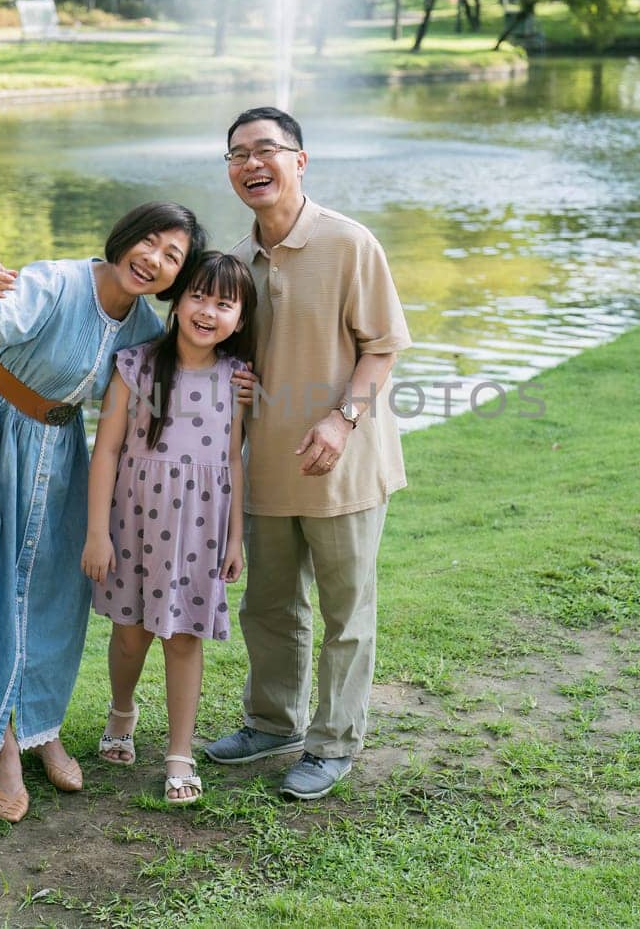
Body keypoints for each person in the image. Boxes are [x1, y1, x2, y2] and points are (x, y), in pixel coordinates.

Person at [0, 203, 206, 823]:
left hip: (58, 445)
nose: (153, 260)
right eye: (148, 242)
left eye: (172, 256)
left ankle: (42, 726)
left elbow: (177, 378)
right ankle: (5, 748)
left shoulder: (144, 328)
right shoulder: (54, 281)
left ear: (178, 276)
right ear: (123, 238)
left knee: (57, 588)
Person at [204, 107, 412, 800]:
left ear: (300, 160)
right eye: (238, 154)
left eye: (267, 149)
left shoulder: (350, 244)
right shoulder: (235, 263)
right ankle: (273, 722)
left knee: (345, 612)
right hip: (266, 467)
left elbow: (380, 346)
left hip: (342, 464)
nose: (252, 164)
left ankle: (334, 742)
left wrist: (341, 419)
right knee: (267, 605)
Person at [82, 253, 256, 806]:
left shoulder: (237, 379)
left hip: (199, 526)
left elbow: (233, 461)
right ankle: (122, 711)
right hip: (134, 520)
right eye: (198, 297)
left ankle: (179, 752)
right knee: (130, 634)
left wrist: (234, 538)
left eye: (224, 304)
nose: (208, 312)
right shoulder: (135, 366)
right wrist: (96, 533)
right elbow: (106, 450)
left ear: (241, 319)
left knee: (184, 638)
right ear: (176, 301)